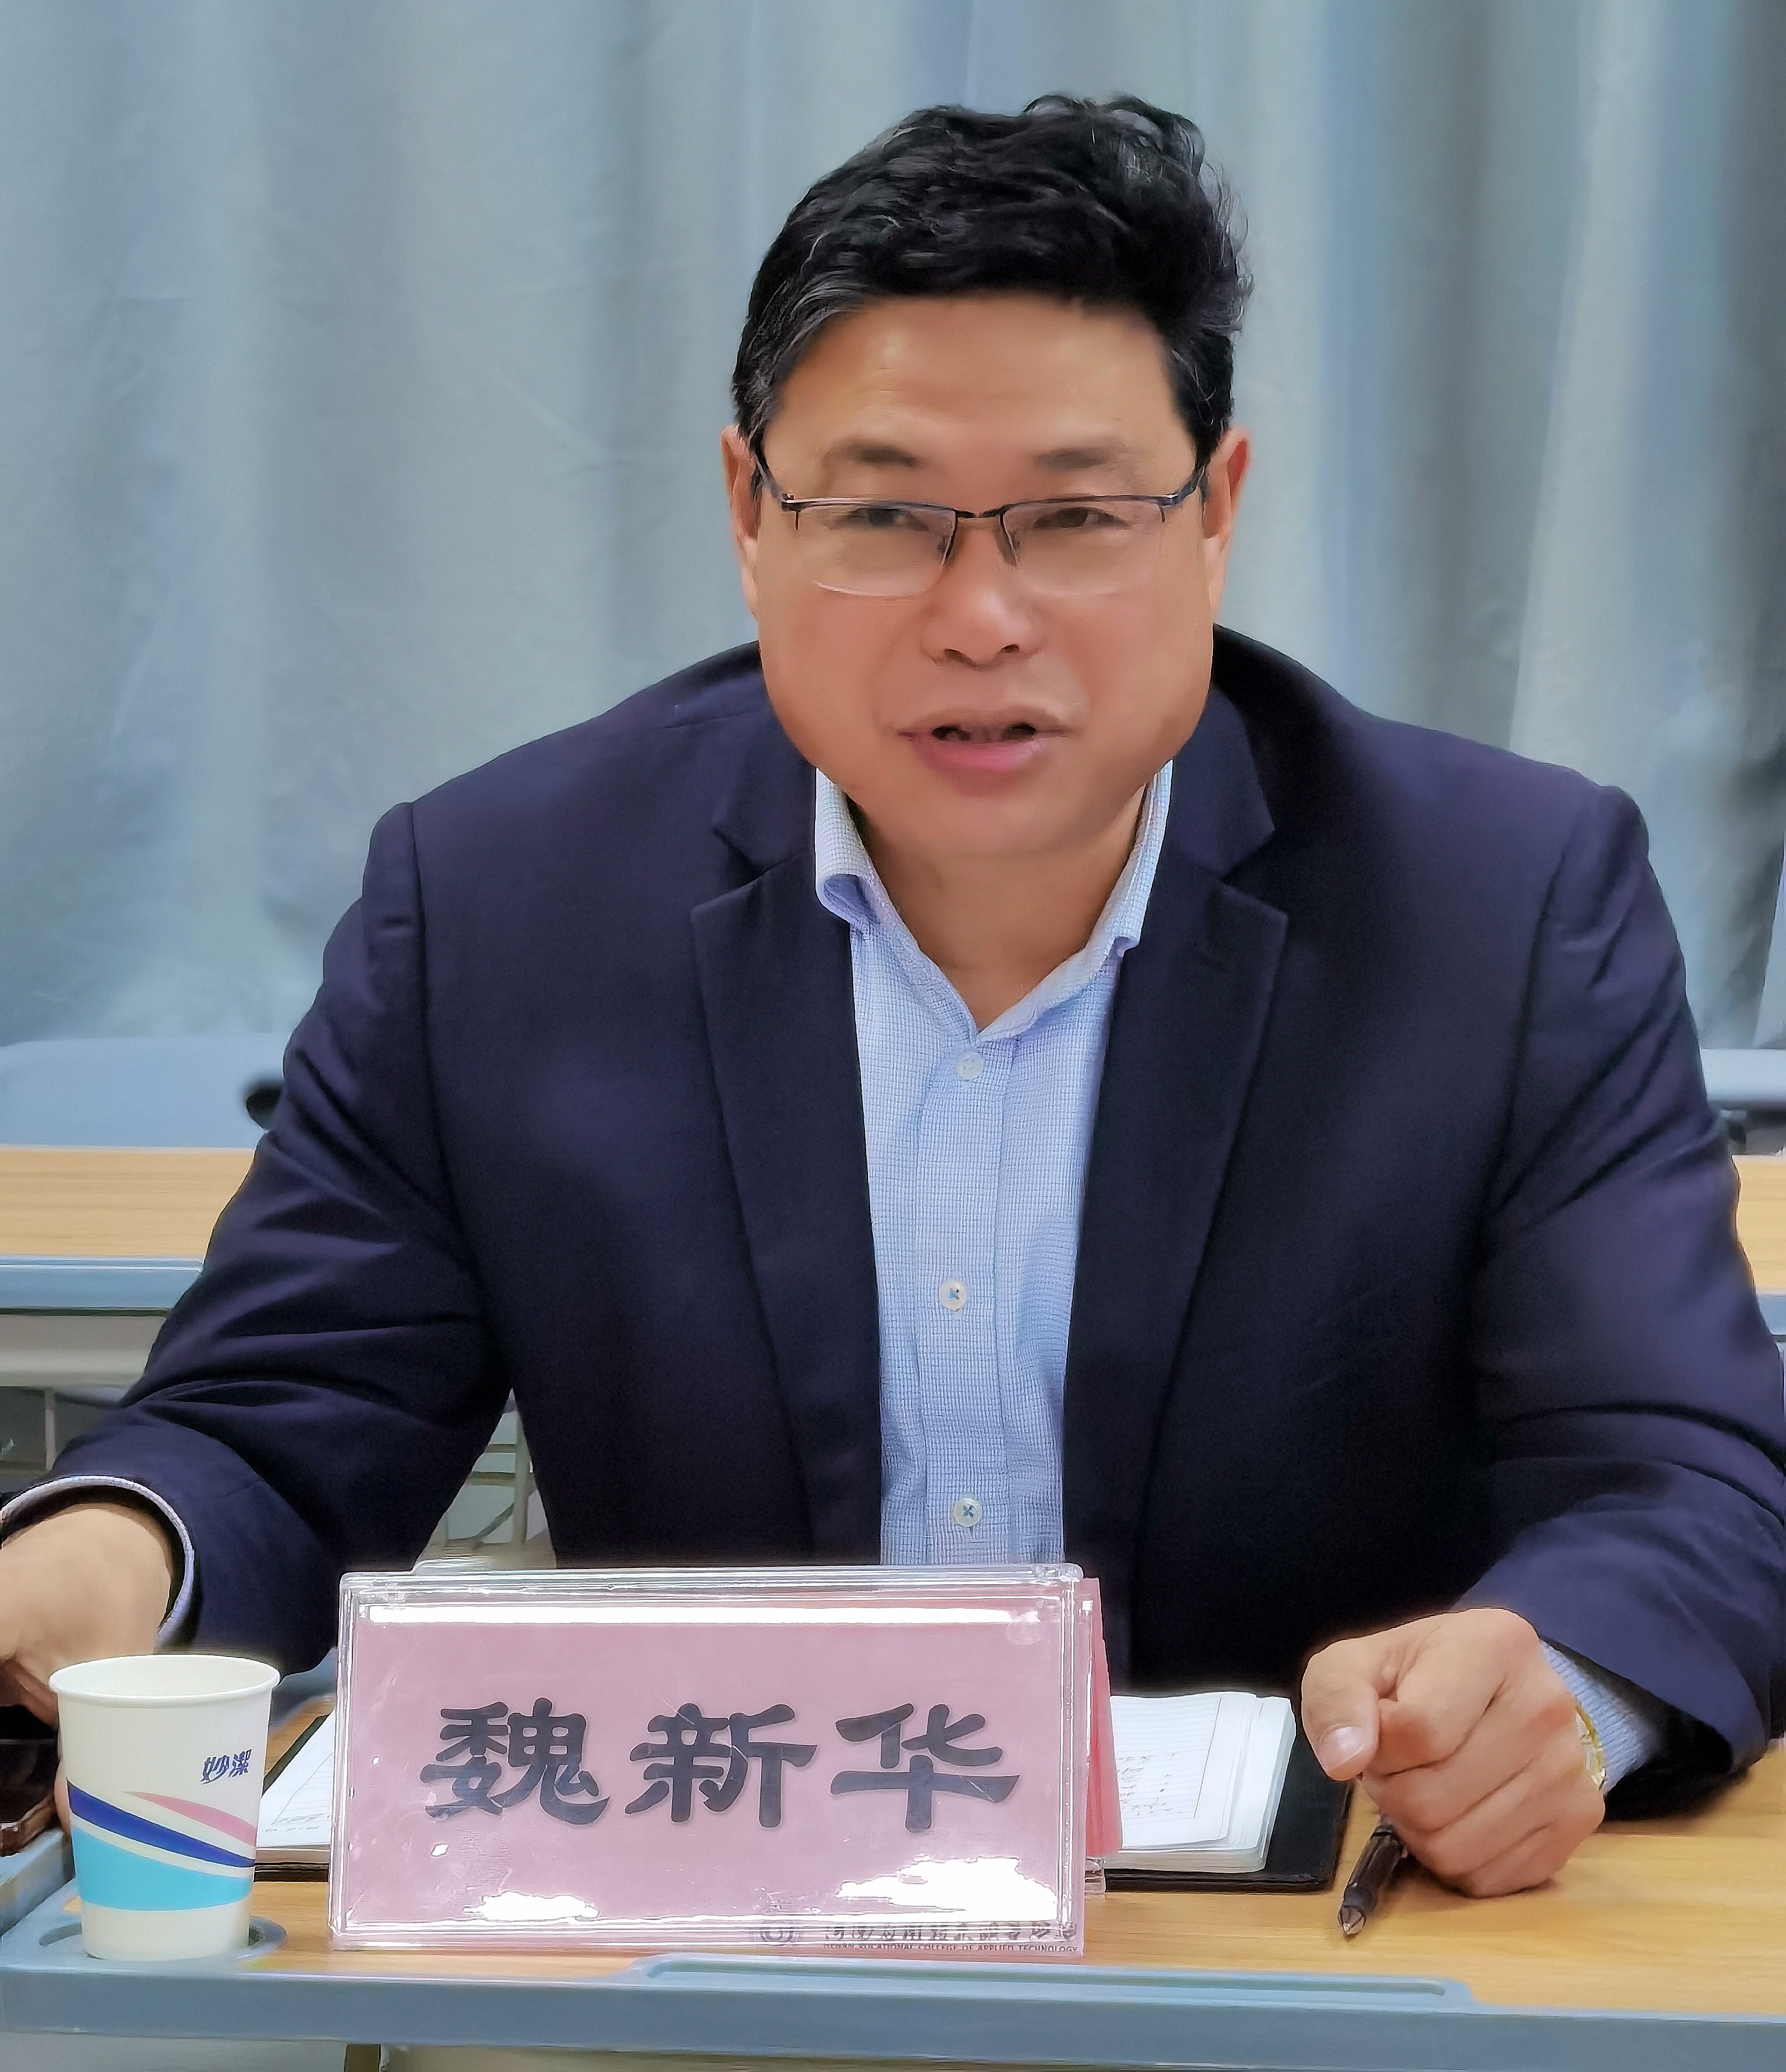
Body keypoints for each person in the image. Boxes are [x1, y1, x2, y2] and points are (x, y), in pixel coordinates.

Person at [2, 98, 1781, 1900]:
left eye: (1078, 517)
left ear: (1215, 514)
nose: (981, 614)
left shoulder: (1498, 909)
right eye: (882, 514)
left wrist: (1560, 1693)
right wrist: (89, 1565)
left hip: (1295, 1954)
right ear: (749, 515)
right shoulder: (498, 908)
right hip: (718, 1947)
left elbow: (1693, 1481)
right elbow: (274, 1428)